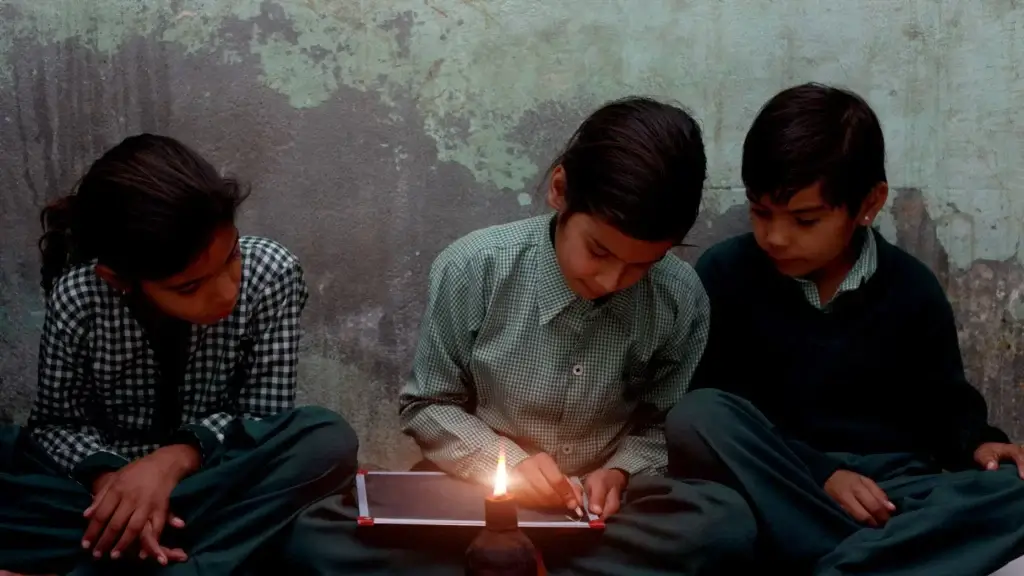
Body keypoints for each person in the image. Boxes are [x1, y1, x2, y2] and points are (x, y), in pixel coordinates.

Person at [280, 96, 756, 576]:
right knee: (319, 538)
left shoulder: (680, 296)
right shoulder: (475, 268)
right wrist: (502, 461)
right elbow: (427, 406)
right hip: (480, 500)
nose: (613, 280)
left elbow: (660, 423)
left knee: (723, 526)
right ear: (560, 190)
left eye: (642, 265)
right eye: (598, 251)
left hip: (604, 513)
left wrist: (618, 472)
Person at [667, 82, 1024, 575]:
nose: (775, 236)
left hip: (891, 494)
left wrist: (978, 443)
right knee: (698, 413)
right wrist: (823, 473)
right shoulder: (727, 275)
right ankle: (876, 560)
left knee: (1013, 492)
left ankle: (845, 558)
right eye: (760, 212)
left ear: (868, 204)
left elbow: (945, 409)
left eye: (804, 220)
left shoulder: (911, 288)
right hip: (783, 482)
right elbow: (717, 419)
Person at [0, 134, 358, 576]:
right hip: (104, 496)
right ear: (120, 280)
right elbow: (56, 425)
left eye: (230, 259)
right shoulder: (79, 296)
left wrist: (172, 461)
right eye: (190, 287)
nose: (225, 292)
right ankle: (177, 548)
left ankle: (126, 555)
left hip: (218, 478)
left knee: (325, 437)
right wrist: (115, 486)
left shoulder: (271, 273)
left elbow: (263, 420)